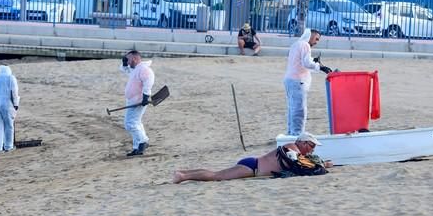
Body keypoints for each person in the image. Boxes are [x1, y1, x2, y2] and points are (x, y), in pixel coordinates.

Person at [173, 132, 332, 184]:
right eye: (311, 146)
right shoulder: (292, 147)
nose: (313, 149)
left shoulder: (296, 149)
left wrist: (322, 163)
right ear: (303, 142)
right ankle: (182, 176)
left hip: (254, 165)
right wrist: (319, 165)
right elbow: (299, 164)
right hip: (253, 167)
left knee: (217, 173)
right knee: (217, 176)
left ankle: (183, 173)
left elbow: (303, 163)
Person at [283, 29, 332, 136]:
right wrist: (320, 67)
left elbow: (302, 62)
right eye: (316, 39)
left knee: (292, 108)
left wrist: (314, 62)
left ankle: (291, 132)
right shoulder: (305, 45)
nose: (316, 42)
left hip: (289, 80)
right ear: (311, 36)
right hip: (297, 81)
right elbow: (306, 63)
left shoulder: (296, 44)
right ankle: (297, 134)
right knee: (299, 110)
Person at [120, 50, 155, 156]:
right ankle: (137, 147)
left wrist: (145, 96)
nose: (128, 61)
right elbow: (124, 70)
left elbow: (148, 82)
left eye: (128, 59)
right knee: (136, 122)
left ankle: (143, 141)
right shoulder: (135, 69)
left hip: (138, 101)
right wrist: (124, 63)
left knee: (130, 124)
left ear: (135, 59)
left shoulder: (144, 69)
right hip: (132, 100)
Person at [0, 65, 20, 154]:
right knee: (9, 126)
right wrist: (16, 104)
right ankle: (8, 146)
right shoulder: (11, 78)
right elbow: (14, 92)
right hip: (7, 103)